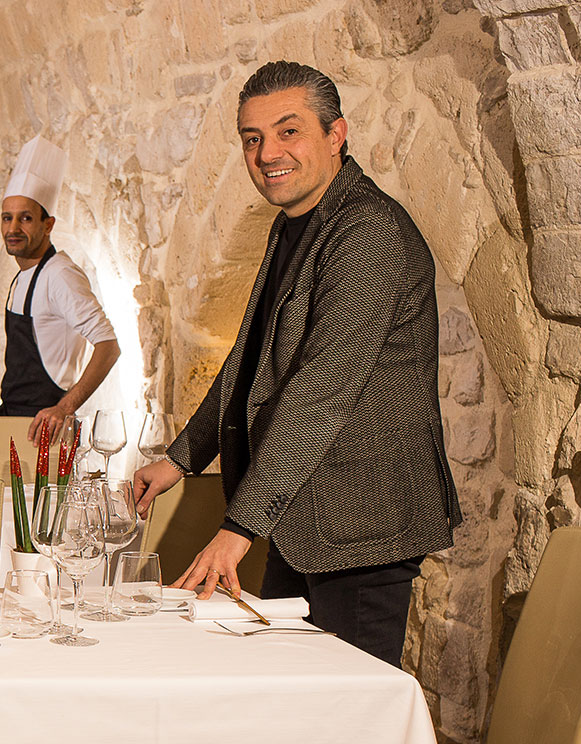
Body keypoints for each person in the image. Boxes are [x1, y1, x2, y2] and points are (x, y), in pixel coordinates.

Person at [131, 61, 461, 666]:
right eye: (251, 139)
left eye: (289, 132)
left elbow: (319, 390)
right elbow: (249, 364)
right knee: (295, 703)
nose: (266, 153)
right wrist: (180, 459)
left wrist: (238, 528)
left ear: (336, 135)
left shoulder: (367, 232)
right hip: (301, 518)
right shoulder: (295, 225)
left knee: (348, 719)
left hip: (363, 527)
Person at [0, 135, 121, 441]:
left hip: (46, 431)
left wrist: (64, 408)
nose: (13, 229)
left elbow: (109, 346)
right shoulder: (23, 275)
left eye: (25, 218)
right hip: (14, 420)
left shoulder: (61, 274)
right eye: (7, 218)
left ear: (48, 225)